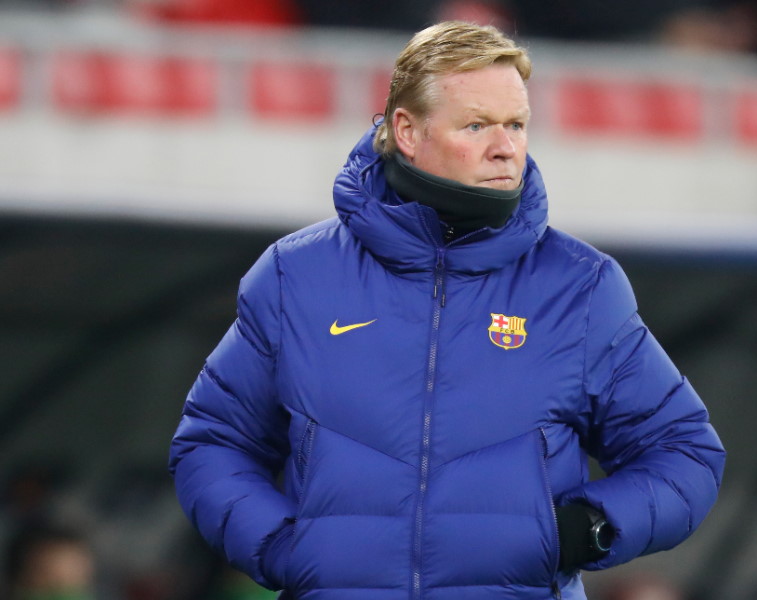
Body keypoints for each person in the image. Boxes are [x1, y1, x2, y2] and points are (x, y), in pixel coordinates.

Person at [168, 21, 725, 600]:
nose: (505, 146)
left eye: (516, 124)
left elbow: (685, 452)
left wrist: (584, 531)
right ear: (407, 131)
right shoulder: (296, 276)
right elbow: (213, 442)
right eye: (477, 125)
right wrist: (284, 547)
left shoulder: (580, 287)